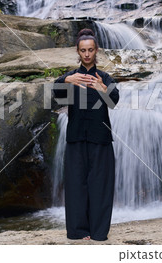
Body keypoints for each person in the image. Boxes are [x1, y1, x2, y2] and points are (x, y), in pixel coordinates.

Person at [53, 28, 120, 241]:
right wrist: (66, 81)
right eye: (83, 50)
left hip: (100, 138)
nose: (87, 54)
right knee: (75, 185)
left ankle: (99, 232)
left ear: (96, 50)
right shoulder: (71, 77)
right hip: (75, 138)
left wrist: (102, 88)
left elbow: (113, 102)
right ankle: (78, 231)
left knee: (100, 186)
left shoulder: (106, 77)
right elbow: (54, 97)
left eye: (91, 50)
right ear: (78, 51)